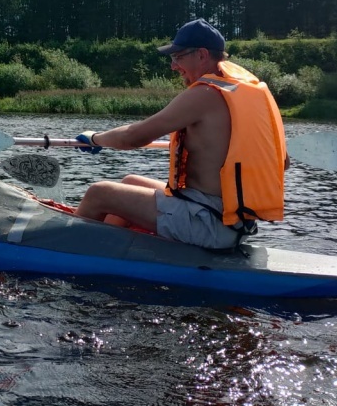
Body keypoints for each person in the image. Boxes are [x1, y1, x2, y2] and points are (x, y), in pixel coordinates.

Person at [74, 18, 288, 249]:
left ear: (202, 55)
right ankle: (107, 250)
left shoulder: (206, 94)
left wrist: (95, 138)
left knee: (99, 193)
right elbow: (283, 162)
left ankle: (70, 251)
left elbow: (133, 136)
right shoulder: (246, 93)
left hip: (209, 224)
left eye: (178, 57)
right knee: (130, 181)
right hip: (233, 222)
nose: (173, 66)